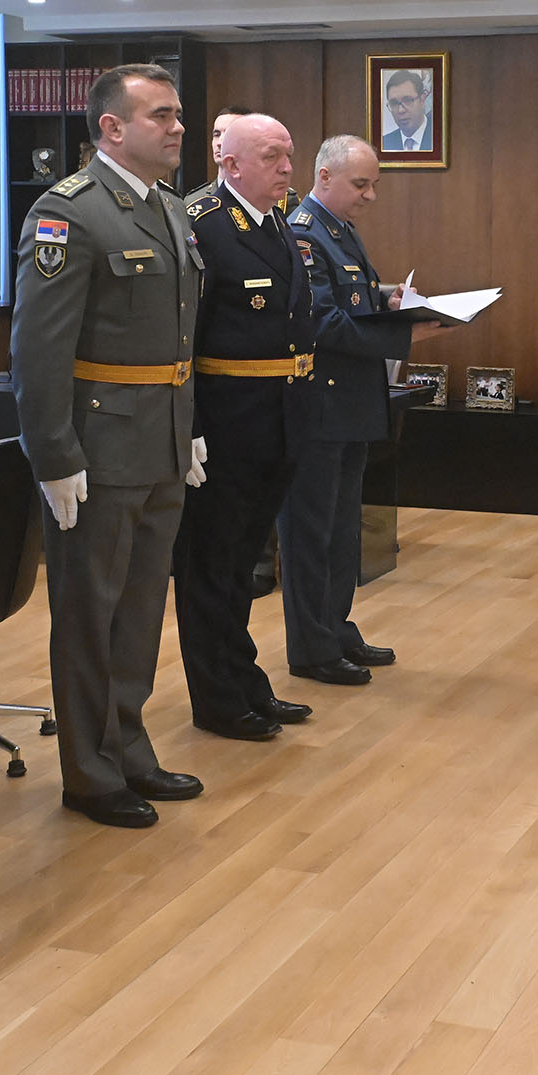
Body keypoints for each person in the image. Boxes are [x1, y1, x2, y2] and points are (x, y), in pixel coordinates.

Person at [9, 64, 206, 828]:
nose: (179, 127)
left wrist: (188, 430)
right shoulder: (70, 212)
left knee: (140, 608)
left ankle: (128, 746)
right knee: (90, 614)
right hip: (98, 448)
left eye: (178, 113)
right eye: (162, 114)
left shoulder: (171, 209)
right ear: (113, 128)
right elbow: (39, 350)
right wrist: (54, 454)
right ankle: (90, 772)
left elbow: (177, 338)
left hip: (160, 440)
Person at [173, 115, 318, 741]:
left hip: (276, 422)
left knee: (243, 569)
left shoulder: (275, 221)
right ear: (229, 164)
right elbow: (183, 339)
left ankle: (245, 681)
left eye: (289, 155)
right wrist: (191, 427)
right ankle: (217, 699)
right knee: (212, 568)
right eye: (271, 156)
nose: (287, 167)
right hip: (224, 427)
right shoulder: (201, 224)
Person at [280, 135, 431, 686]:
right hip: (320, 407)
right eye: (361, 184)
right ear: (324, 177)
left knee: (344, 531)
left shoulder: (339, 229)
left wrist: (387, 302)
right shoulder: (305, 233)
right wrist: (405, 335)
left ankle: (336, 630)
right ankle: (311, 646)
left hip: (350, 406)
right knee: (312, 533)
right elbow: (322, 323)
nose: (370, 195)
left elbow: (352, 301)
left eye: (374, 185)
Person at [379, 68, 435, 153]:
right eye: (394, 103)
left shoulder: (439, 139)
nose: (401, 110)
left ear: (422, 99)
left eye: (408, 100)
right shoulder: (384, 143)